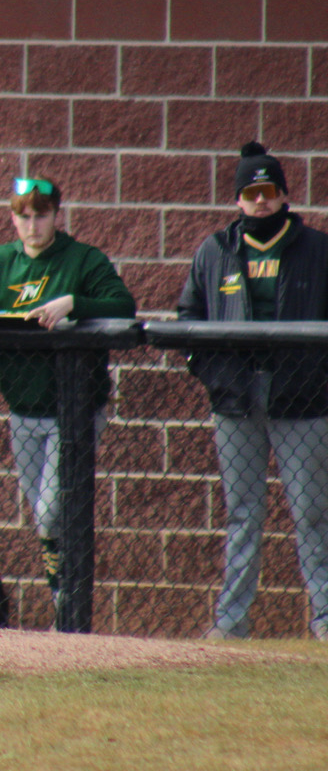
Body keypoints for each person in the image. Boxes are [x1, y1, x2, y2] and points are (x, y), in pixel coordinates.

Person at [0, 175, 134, 609]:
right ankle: (61, 598)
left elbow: (123, 305)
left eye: (41, 215)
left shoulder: (82, 259)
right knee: (45, 518)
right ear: (13, 218)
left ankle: (69, 599)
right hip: (22, 408)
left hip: (73, 410)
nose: (32, 225)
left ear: (56, 215)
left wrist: (73, 303)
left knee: (53, 511)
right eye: (23, 216)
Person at [176, 141, 328, 642]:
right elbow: (188, 320)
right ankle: (231, 621)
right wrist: (215, 375)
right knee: (242, 512)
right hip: (236, 398)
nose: (259, 201)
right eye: (250, 192)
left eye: (268, 191)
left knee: (311, 511)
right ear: (238, 199)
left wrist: (316, 377)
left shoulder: (317, 250)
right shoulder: (215, 251)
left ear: (284, 194)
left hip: (301, 401)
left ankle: (325, 618)